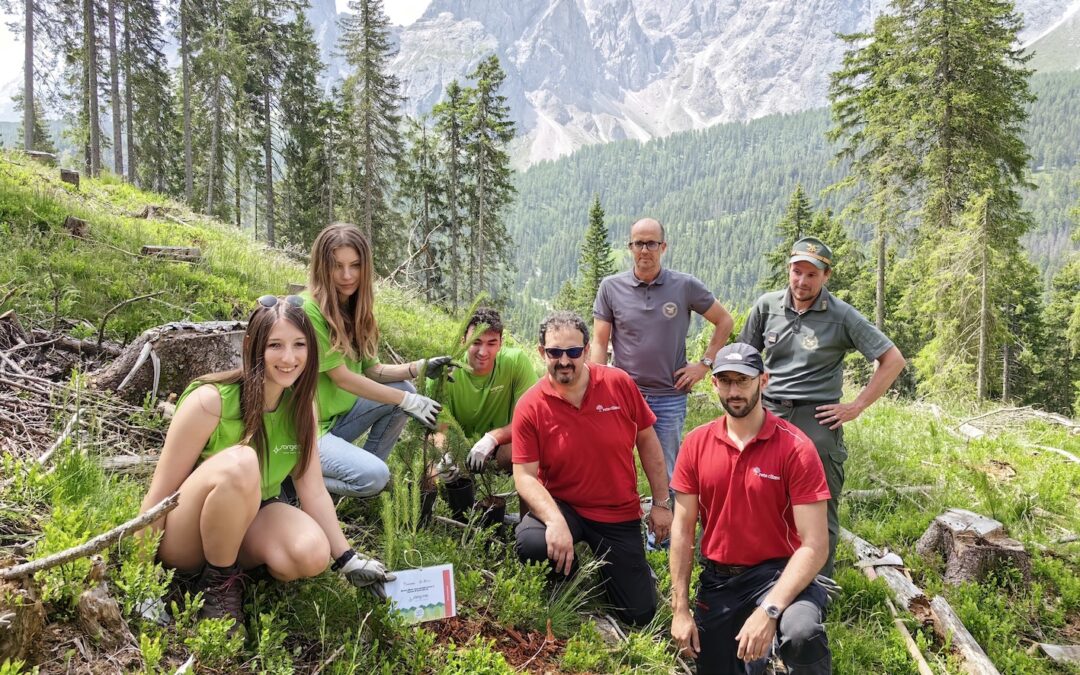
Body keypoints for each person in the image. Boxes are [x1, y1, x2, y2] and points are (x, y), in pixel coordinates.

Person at [138, 295, 395, 632]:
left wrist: (347, 558)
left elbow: (314, 490)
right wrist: (140, 583)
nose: (289, 358)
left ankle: (224, 573)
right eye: (276, 345)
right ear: (253, 345)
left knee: (312, 553)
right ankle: (218, 590)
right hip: (184, 538)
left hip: (242, 525)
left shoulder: (302, 409)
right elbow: (159, 495)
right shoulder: (210, 401)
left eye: (299, 345)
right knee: (243, 460)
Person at [738, 236, 905, 576]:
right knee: (759, 495)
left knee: (818, 504)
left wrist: (855, 406)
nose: (802, 281)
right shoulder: (766, 306)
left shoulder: (841, 315)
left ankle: (817, 587)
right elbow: (744, 359)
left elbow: (892, 359)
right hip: (766, 414)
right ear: (789, 270)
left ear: (826, 275)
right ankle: (761, 574)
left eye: (811, 274)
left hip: (816, 420)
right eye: (797, 272)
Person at [670, 343, 834, 674]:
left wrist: (769, 610)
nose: (734, 391)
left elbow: (815, 546)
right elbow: (682, 530)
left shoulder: (796, 447)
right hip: (719, 581)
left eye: (743, 380)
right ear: (714, 383)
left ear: (764, 380)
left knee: (801, 633)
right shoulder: (696, 444)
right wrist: (680, 609)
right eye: (726, 381)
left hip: (778, 573)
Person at [512, 310, 671, 627]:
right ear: (542, 352)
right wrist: (554, 520)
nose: (564, 360)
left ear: (586, 350)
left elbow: (648, 442)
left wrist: (662, 503)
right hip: (565, 506)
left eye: (573, 351)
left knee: (639, 616)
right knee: (532, 543)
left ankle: (618, 569)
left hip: (618, 512)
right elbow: (525, 476)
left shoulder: (619, 384)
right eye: (555, 352)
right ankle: (564, 576)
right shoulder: (530, 405)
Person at [301, 223, 449, 497]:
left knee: (403, 388)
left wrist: (419, 368)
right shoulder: (310, 311)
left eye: (355, 265)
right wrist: (406, 403)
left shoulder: (355, 309)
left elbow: (373, 370)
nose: (347, 275)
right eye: (337, 266)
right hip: (306, 432)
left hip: (335, 422)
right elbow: (342, 377)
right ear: (323, 267)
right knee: (375, 474)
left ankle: (361, 475)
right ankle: (300, 487)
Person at [592, 217, 734, 485]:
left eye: (651, 243)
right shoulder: (610, 287)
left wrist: (704, 364)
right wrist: (597, 384)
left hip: (669, 396)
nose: (645, 250)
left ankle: (666, 526)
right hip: (623, 396)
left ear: (663, 247)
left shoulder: (685, 286)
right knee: (614, 465)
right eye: (639, 244)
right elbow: (600, 341)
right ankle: (623, 522)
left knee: (668, 471)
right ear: (630, 247)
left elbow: (724, 321)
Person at [431, 307, 538, 475]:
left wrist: (493, 438)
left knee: (522, 441)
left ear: (501, 343)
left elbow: (531, 418)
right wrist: (446, 453)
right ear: (463, 340)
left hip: (501, 447)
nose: (483, 352)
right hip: (459, 448)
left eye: (491, 343)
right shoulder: (443, 373)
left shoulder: (516, 362)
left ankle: (500, 480)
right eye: (476, 342)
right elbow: (439, 426)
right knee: (430, 458)